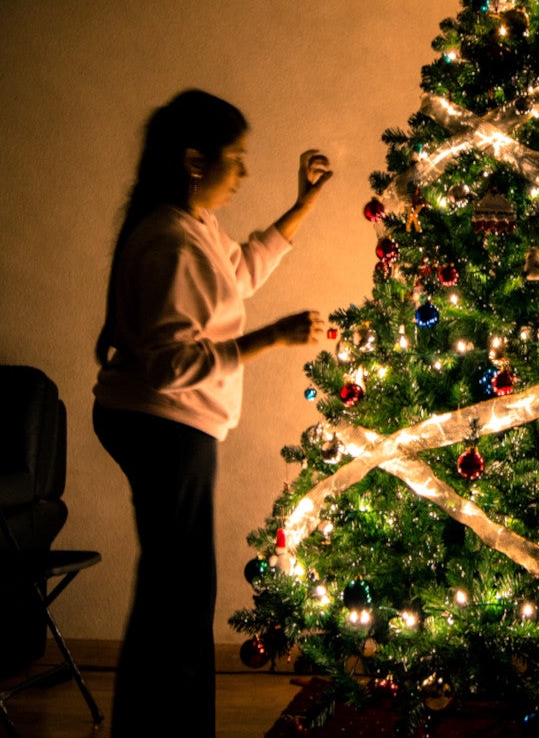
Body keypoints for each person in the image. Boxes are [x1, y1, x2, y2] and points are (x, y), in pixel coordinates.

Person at [92, 89, 332, 736]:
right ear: (196, 162)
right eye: (238, 158)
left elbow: (240, 270)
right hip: (163, 424)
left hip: (168, 423)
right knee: (179, 597)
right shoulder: (170, 240)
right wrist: (271, 339)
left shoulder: (193, 225)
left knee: (176, 591)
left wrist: (303, 205)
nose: (244, 173)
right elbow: (173, 365)